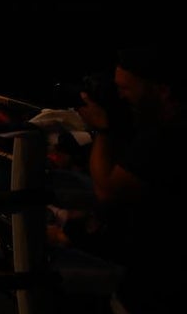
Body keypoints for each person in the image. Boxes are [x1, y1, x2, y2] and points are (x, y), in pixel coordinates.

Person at [75, 45, 184, 314]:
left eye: (126, 88)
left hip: (155, 291)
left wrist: (103, 128)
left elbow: (108, 190)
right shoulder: (156, 128)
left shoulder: (164, 138)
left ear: (162, 90)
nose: (121, 96)